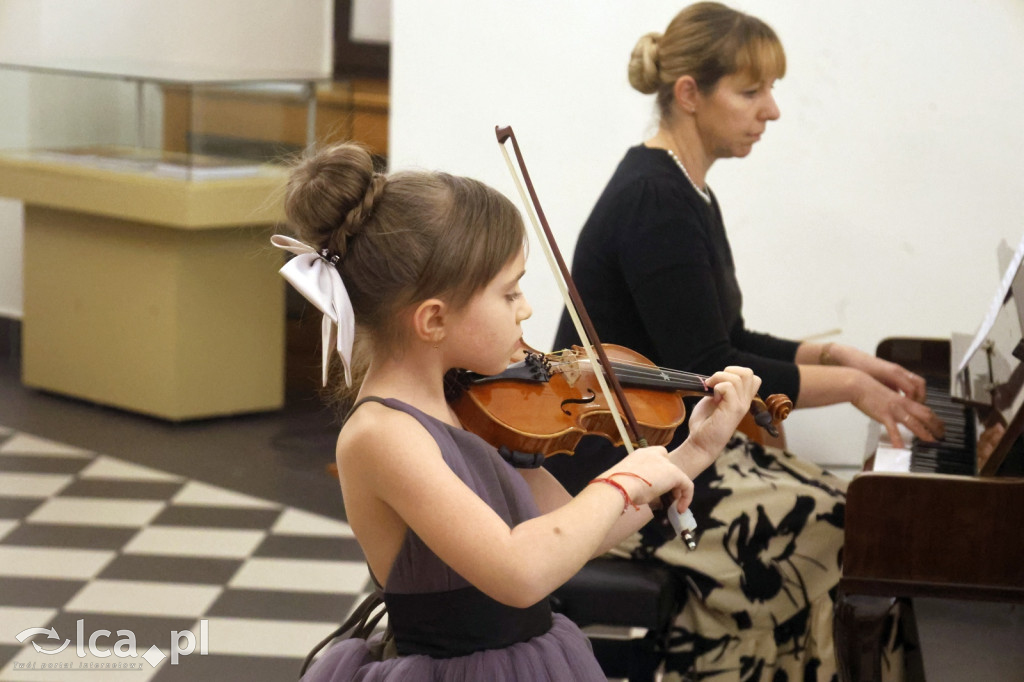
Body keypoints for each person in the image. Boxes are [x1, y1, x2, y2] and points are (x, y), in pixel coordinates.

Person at [544, 3, 944, 681]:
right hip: (625, 470)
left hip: (672, 448)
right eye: (752, 91)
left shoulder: (687, 189)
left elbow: (723, 338)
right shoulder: (654, 198)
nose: (773, 111)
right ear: (690, 94)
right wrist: (852, 390)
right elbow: (708, 368)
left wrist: (840, 357)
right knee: (841, 518)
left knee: (850, 510)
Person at [271, 142, 762, 681]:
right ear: (433, 320)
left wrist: (691, 452)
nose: (526, 309)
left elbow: (573, 534)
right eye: (510, 293)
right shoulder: (383, 434)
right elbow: (519, 570)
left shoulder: (468, 403)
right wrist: (623, 478)